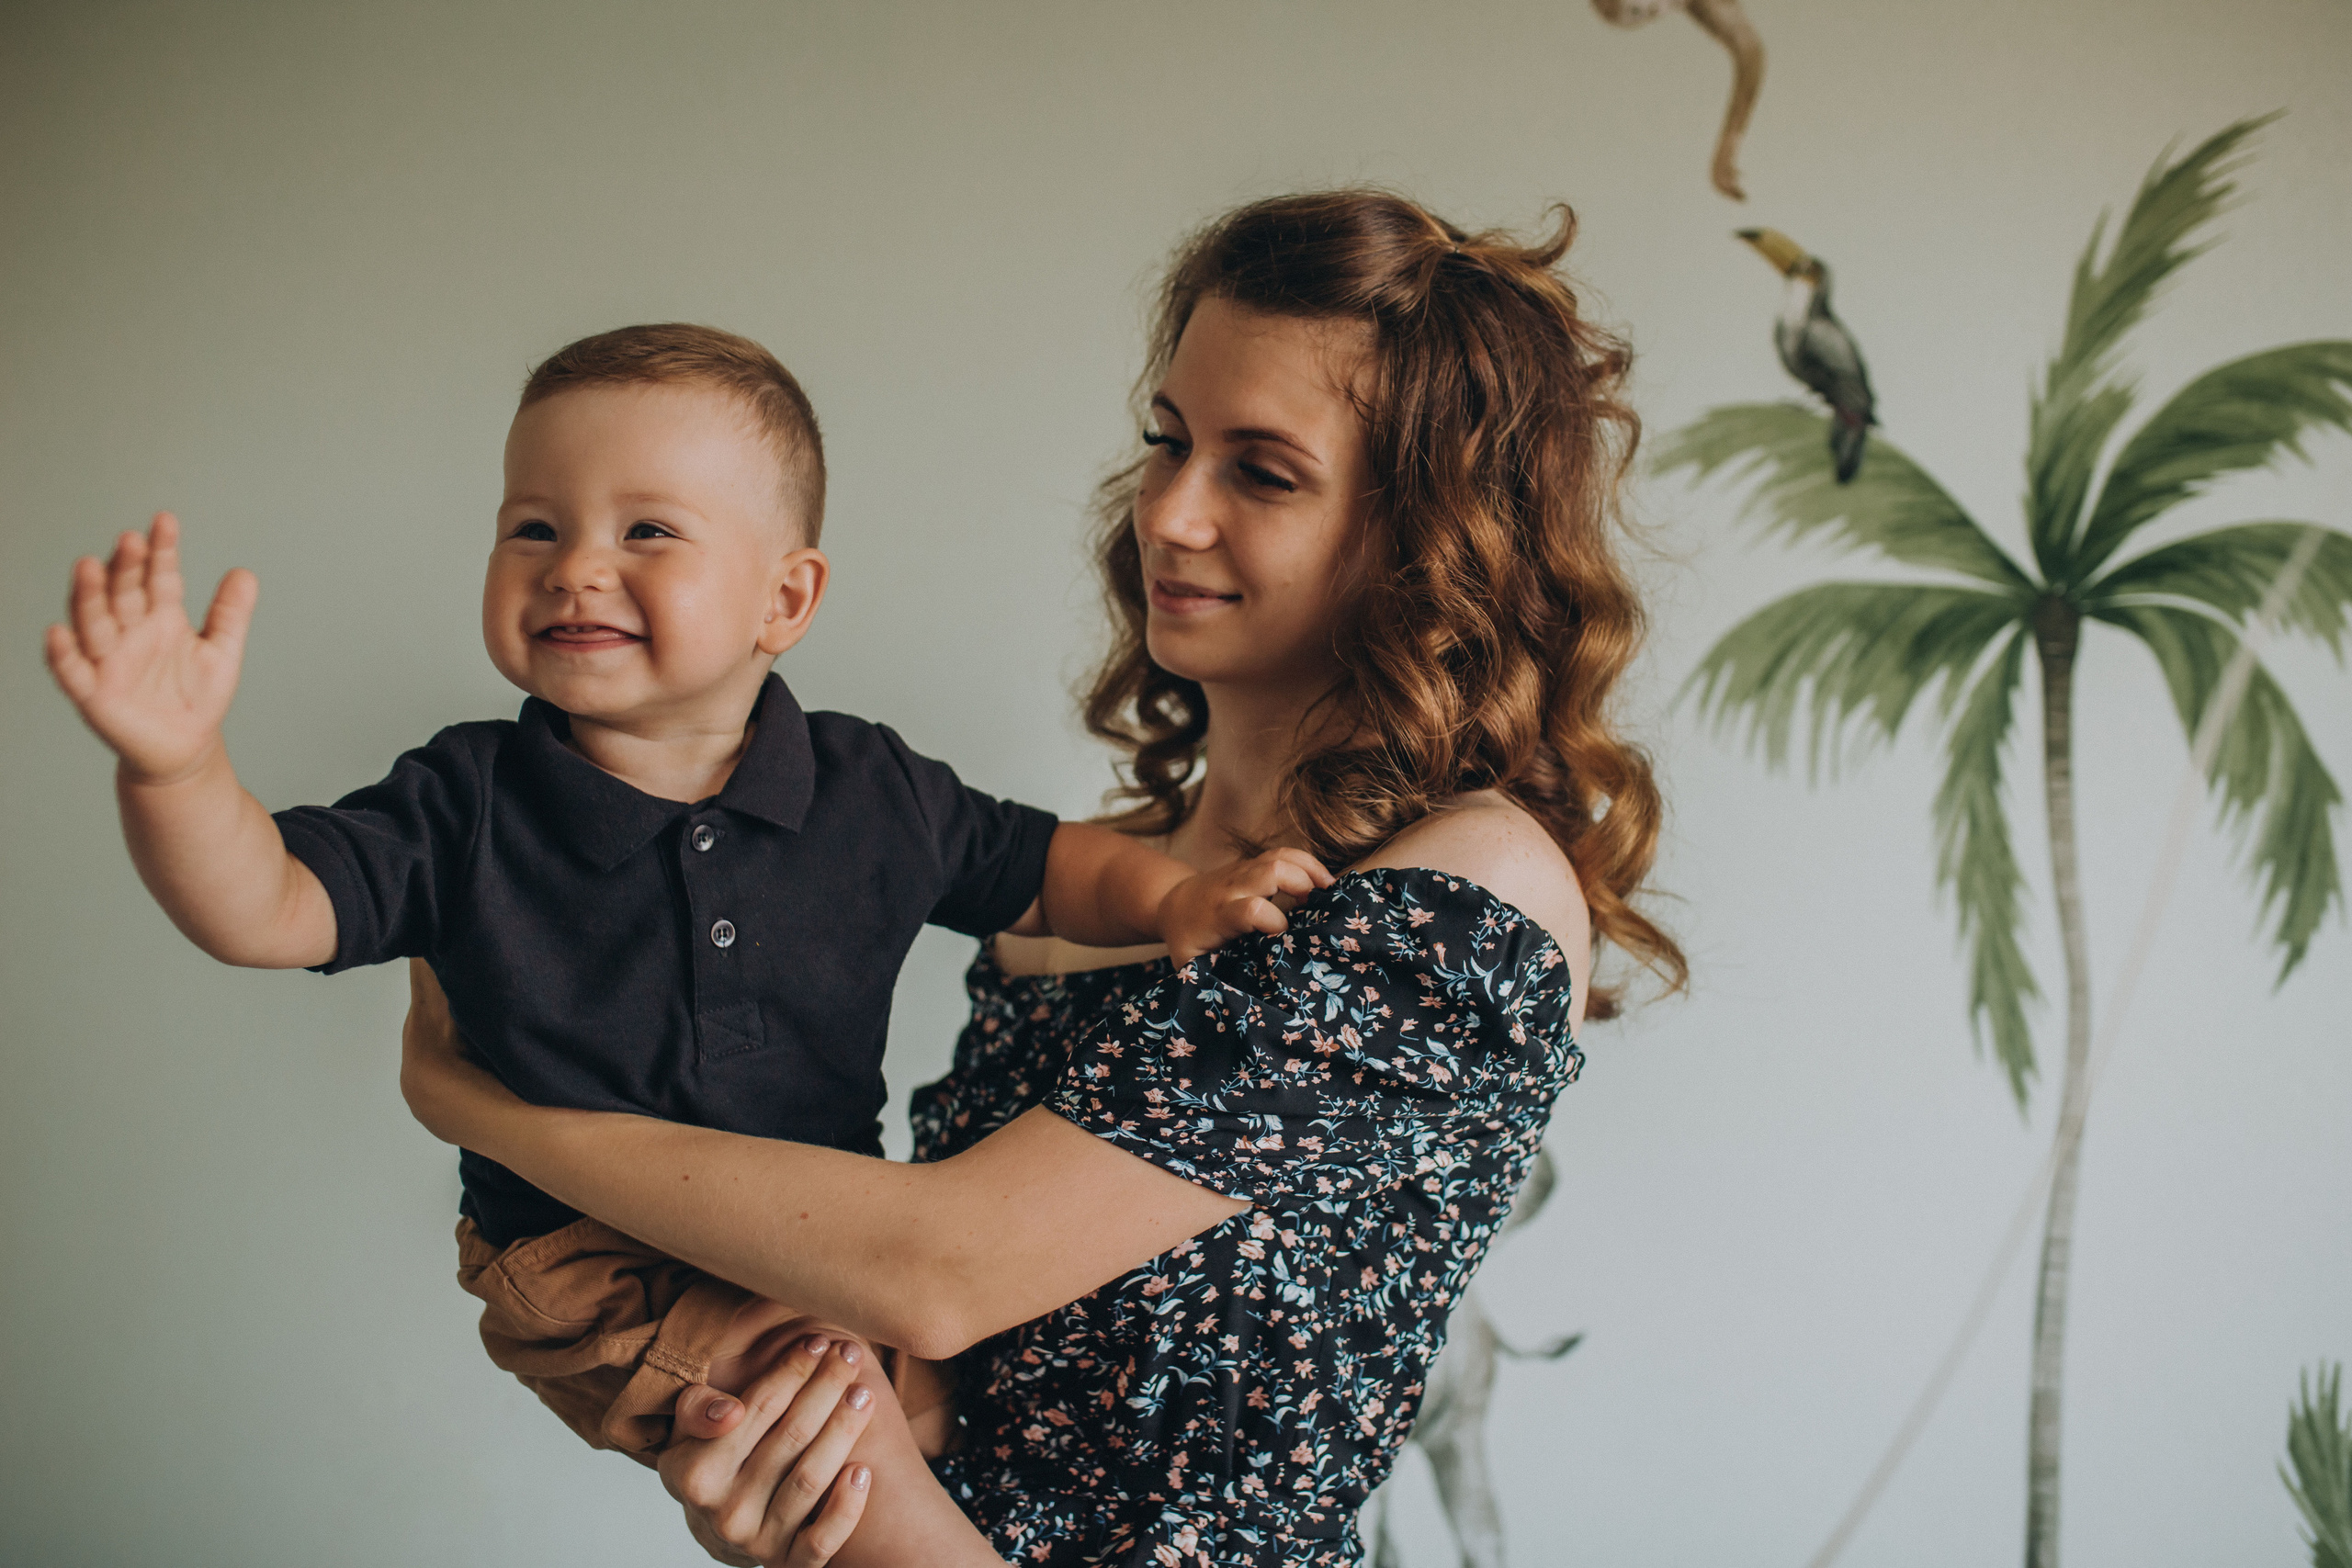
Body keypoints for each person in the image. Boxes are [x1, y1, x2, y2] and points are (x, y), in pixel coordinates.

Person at [397, 189, 1687, 1566]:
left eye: (1263, 471)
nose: (1170, 515)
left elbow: (937, 1270)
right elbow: (931, 1388)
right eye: (1168, 442)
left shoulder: (1464, 890)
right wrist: (783, 1488)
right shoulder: (1106, 876)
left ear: (1426, 537)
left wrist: (489, 1112)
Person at [40, 322, 1324, 1481]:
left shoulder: (869, 785)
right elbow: (264, 908)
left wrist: (1175, 901)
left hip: (814, 1229)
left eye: (645, 531)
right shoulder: (466, 799)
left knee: (952, 1414)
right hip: (588, 1257)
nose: (576, 569)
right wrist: (177, 767)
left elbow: (1046, 867)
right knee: (845, 1440)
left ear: (786, 598)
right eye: (533, 527)